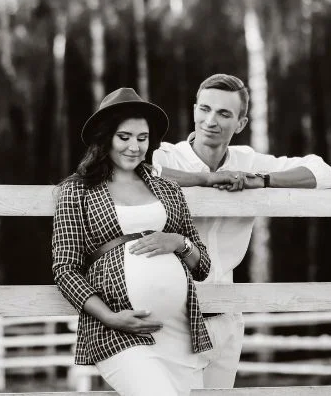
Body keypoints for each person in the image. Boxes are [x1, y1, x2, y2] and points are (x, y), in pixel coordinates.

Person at [152, 73, 331, 388]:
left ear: (240, 123)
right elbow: (137, 171)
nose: (210, 121)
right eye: (205, 109)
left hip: (226, 318)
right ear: (194, 109)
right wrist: (205, 179)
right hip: (171, 318)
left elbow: (325, 173)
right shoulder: (165, 155)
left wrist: (261, 180)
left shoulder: (247, 161)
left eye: (224, 114)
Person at [52, 87, 214, 396]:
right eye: (124, 137)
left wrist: (178, 242)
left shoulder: (169, 190)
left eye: (142, 138)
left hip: (178, 330)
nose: (134, 147)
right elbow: (65, 269)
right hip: (117, 329)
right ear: (106, 138)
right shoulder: (78, 190)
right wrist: (111, 317)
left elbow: (203, 266)